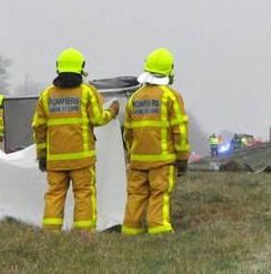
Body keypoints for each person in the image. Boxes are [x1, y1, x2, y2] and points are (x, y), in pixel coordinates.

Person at [32, 48, 120, 232]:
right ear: (81, 68)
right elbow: (97, 119)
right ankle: (84, 235)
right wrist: (112, 112)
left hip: (55, 160)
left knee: (54, 195)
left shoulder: (47, 95)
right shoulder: (87, 92)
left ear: (58, 68)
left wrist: (42, 155)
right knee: (84, 194)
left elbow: (38, 127)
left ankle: (50, 234)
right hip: (82, 159)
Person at [122, 48, 189, 236]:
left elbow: (128, 132)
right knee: (160, 194)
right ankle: (159, 230)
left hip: (137, 160)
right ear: (169, 70)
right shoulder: (170, 97)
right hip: (162, 160)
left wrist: (131, 154)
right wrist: (182, 158)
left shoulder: (134, 97)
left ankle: (130, 230)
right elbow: (180, 131)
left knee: (136, 195)